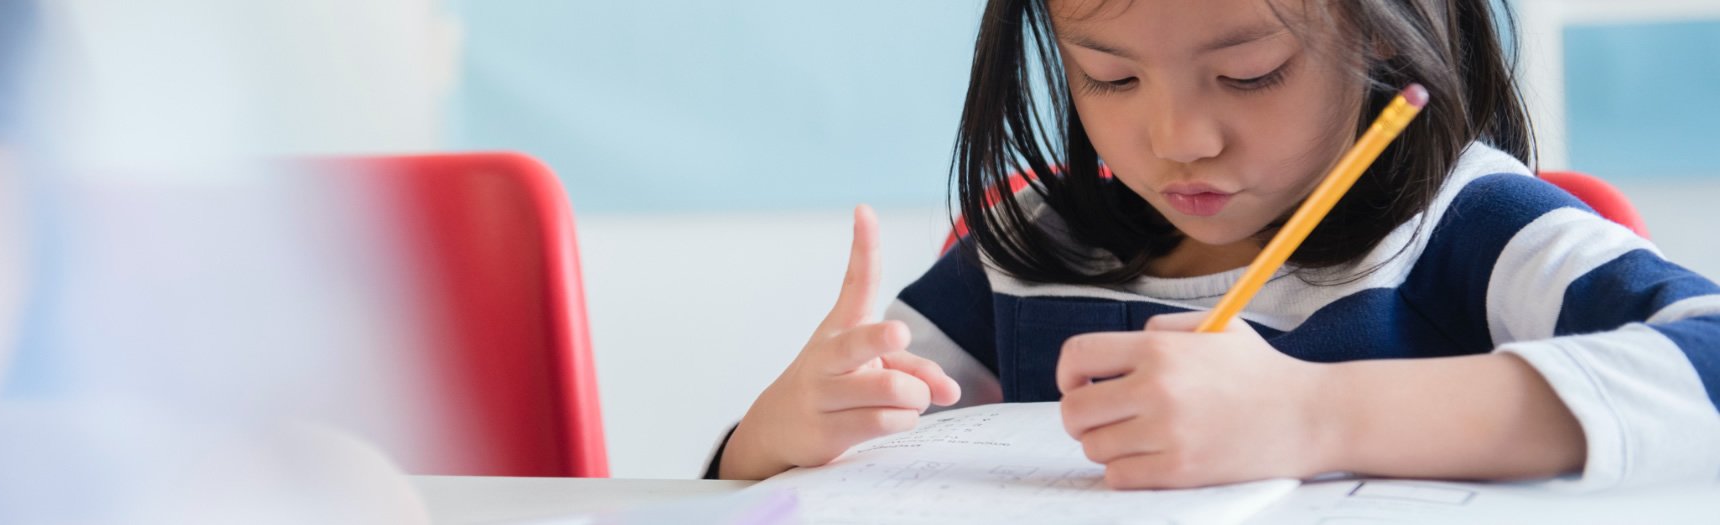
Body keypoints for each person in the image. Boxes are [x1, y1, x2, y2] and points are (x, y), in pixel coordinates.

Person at [710, 0, 1720, 491]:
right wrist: (774, 439)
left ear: (1379, 36)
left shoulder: (1463, 229)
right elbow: (806, 467)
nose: (1178, 139)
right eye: (1109, 78)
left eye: (1248, 74)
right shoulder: (1032, 253)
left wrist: (1316, 415)